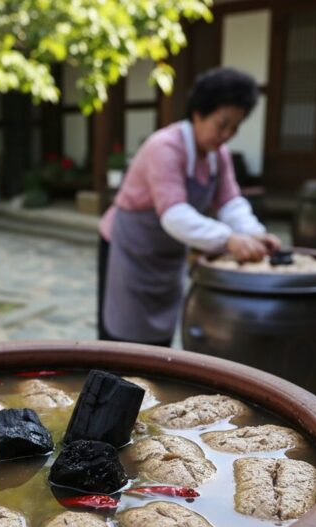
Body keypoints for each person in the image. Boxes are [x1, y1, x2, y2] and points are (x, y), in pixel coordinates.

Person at [97, 67, 281, 346]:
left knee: (158, 342)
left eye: (235, 127)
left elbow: (230, 201)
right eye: (223, 124)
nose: (227, 134)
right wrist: (229, 239)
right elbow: (174, 214)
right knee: (121, 340)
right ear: (198, 113)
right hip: (129, 250)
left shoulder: (219, 155)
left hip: (167, 255)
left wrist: (254, 233)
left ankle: (150, 389)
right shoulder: (165, 147)